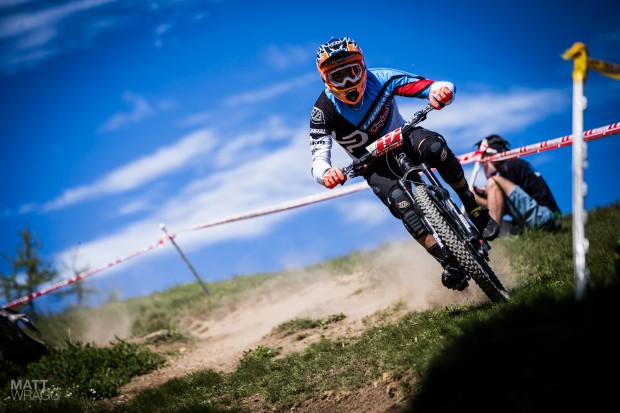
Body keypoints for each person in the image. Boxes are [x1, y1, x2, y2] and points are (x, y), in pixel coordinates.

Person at [309, 37, 499, 292]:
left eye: (352, 72)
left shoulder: (382, 78)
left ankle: (473, 208)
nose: (347, 83)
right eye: (338, 77)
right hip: (372, 164)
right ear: (325, 79)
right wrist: (327, 173)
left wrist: (441, 93)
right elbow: (318, 161)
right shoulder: (322, 112)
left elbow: (437, 85)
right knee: (400, 203)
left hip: (403, 138)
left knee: (435, 147)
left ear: (363, 67)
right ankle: (446, 261)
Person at [472, 134, 562, 233]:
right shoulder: (513, 165)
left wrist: (477, 197)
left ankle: (491, 236)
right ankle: (487, 234)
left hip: (545, 216)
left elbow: (500, 207)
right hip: (544, 218)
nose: (483, 164)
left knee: (492, 182)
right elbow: (498, 206)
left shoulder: (508, 167)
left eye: (484, 158)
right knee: (472, 203)